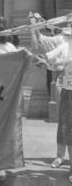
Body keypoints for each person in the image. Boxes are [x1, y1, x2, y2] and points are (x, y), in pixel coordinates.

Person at [28, 13, 72, 176]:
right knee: (65, 121)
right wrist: (35, 25)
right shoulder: (64, 39)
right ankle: (60, 156)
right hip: (66, 84)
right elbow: (43, 42)